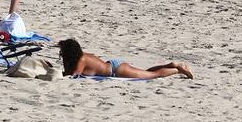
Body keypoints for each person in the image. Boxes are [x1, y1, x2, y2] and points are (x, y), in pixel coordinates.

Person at [58, 38, 193, 80]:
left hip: (117, 70)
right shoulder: (81, 56)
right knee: (145, 72)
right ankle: (171, 64)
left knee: (153, 75)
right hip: (115, 66)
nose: (61, 53)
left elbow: (73, 75)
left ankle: (177, 70)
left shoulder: (81, 60)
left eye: (63, 52)